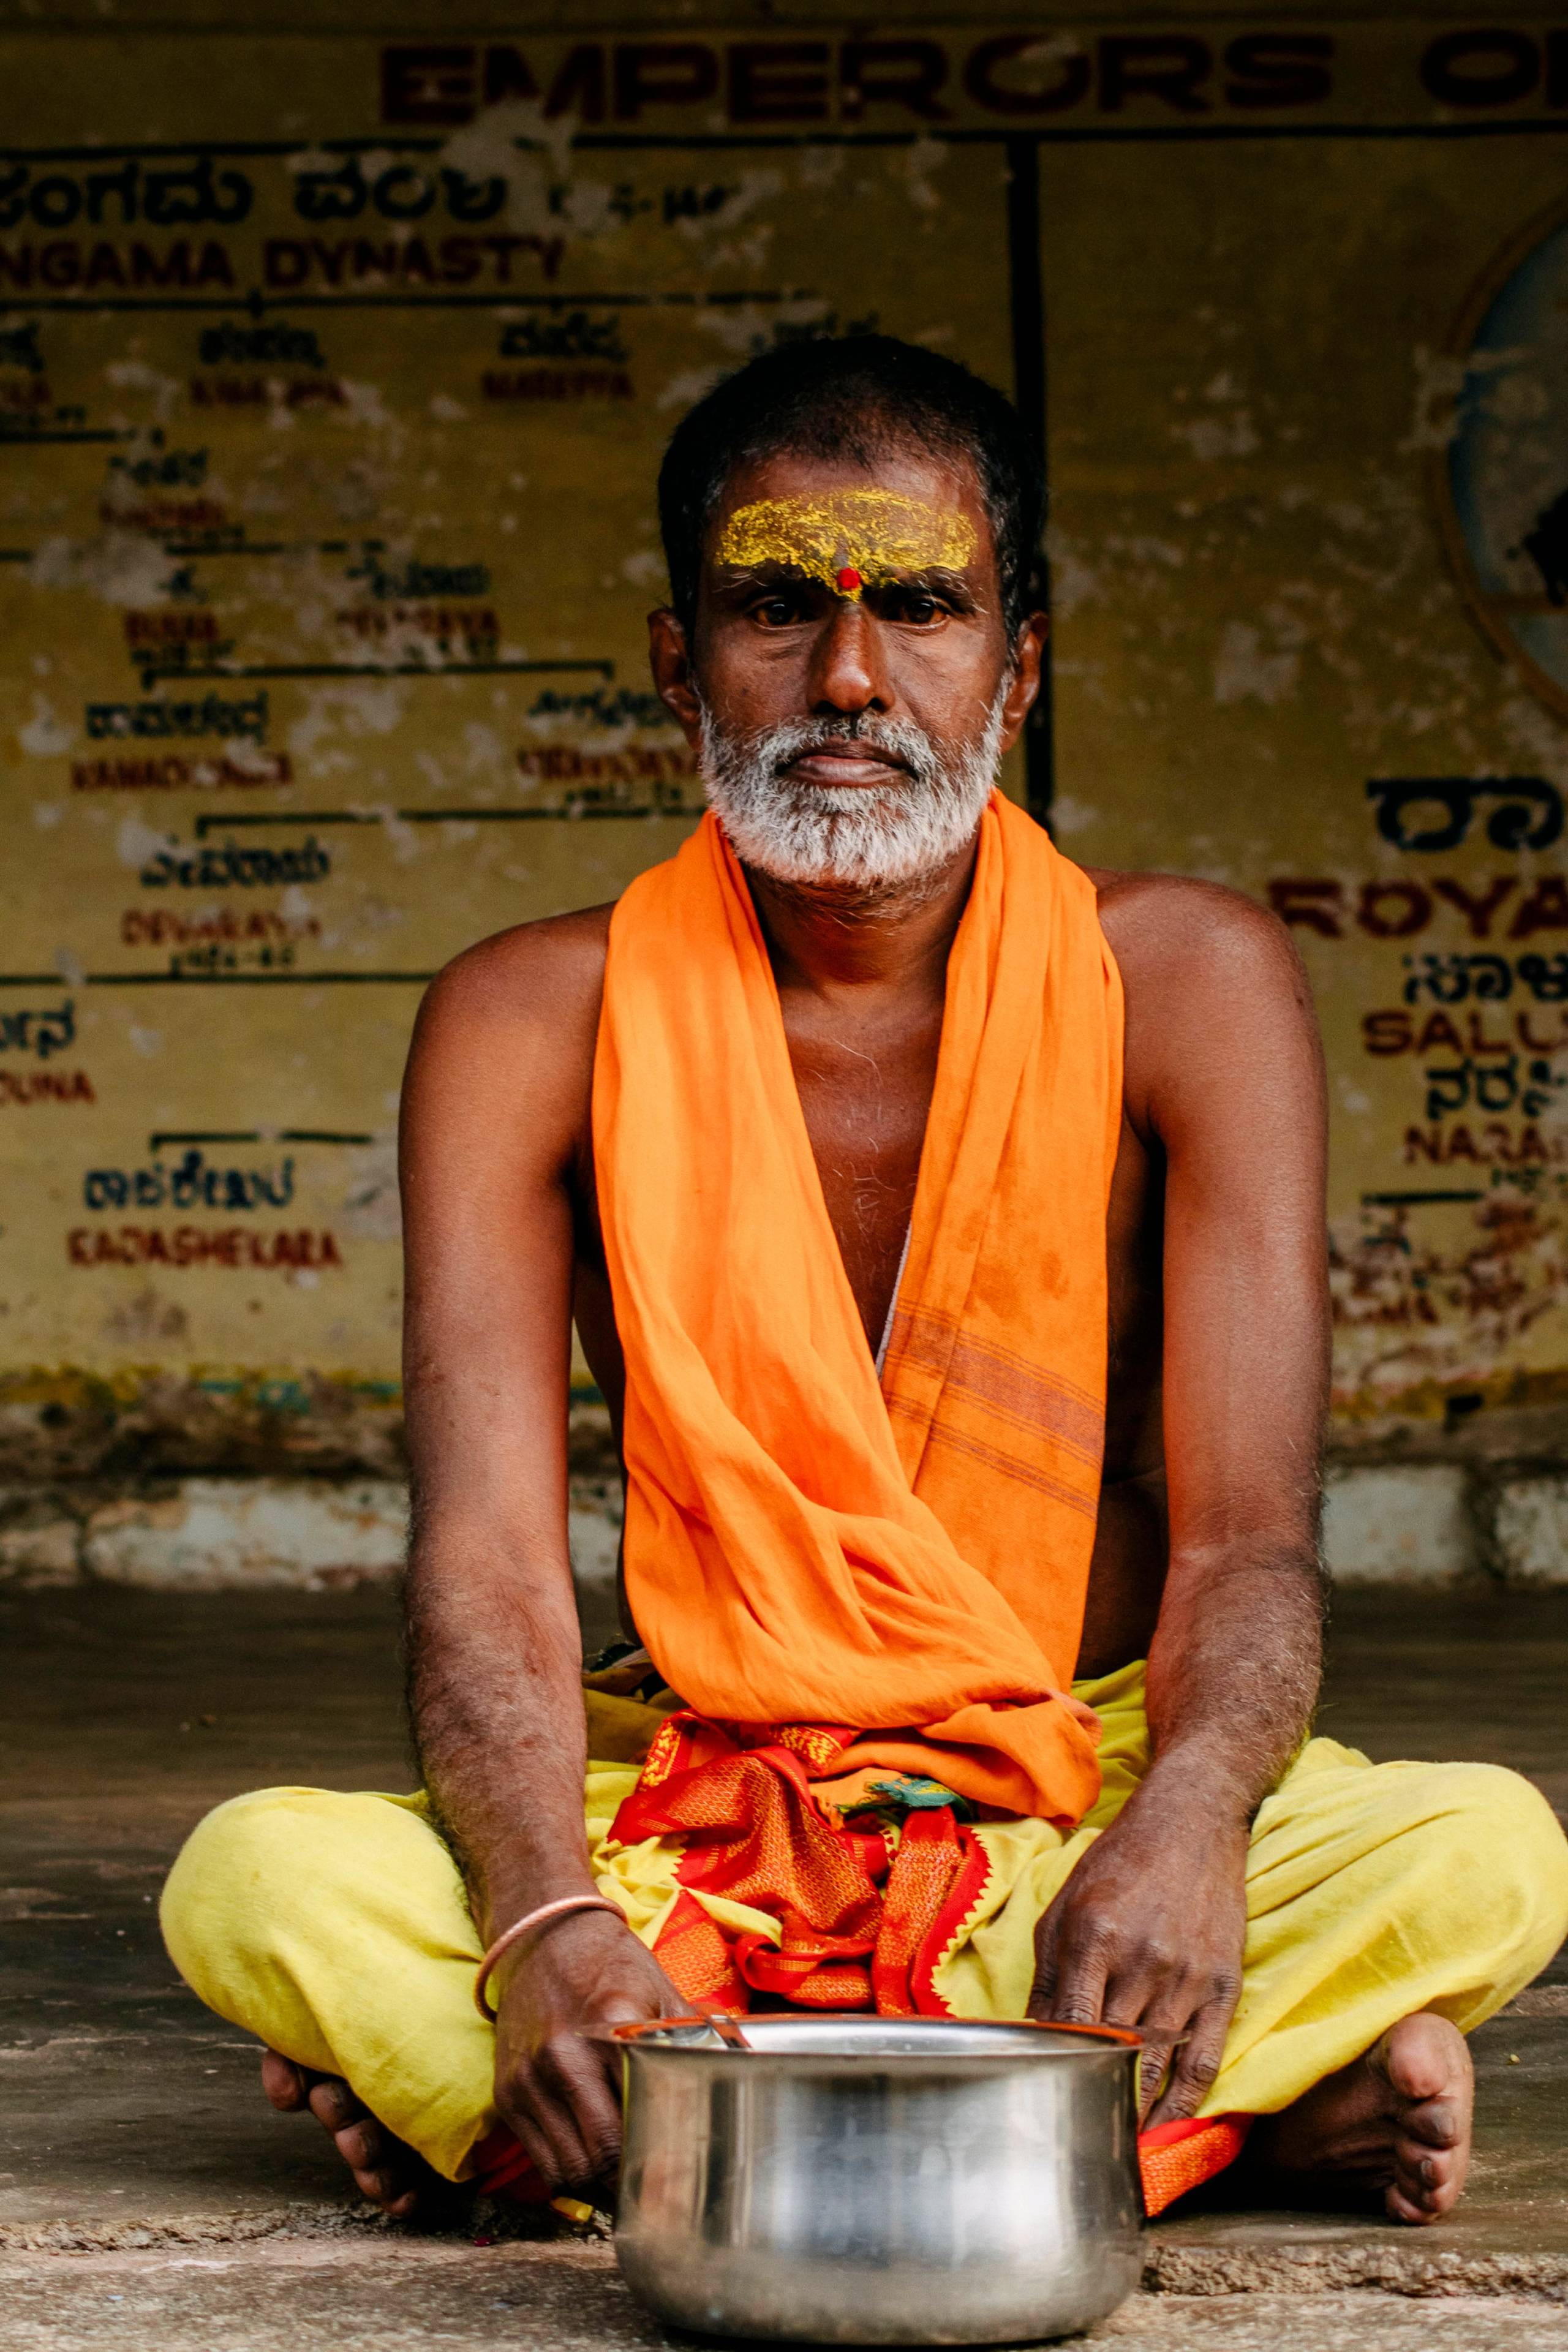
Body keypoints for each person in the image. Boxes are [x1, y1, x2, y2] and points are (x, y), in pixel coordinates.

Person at [162, 336, 1568, 2230]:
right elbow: (487, 1561)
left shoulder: (1188, 982)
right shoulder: (527, 1018)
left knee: (1490, 1850)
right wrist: (548, 1915)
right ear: (681, 664)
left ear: (1022, 662)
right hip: (699, 1792)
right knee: (256, 1878)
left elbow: (1246, 1548)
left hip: (1081, 1772)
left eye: (920, 606)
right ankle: (1192, 2122)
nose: (847, 677)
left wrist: (1185, 1840)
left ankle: (613, 2130)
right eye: (771, 609)